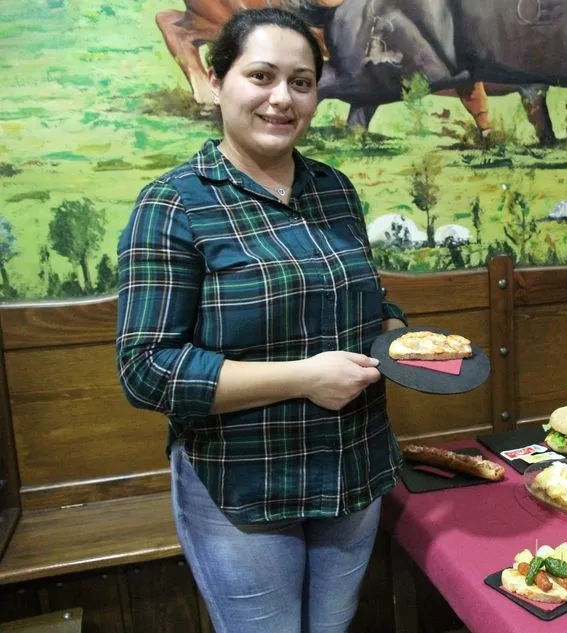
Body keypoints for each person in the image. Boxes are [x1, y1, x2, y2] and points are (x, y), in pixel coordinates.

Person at [115, 8, 407, 633]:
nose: (282, 98)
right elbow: (146, 372)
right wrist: (304, 378)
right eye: (262, 75)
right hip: (244, 486)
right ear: (217, 81)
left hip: (354, 471)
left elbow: (364, 303)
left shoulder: (334, 189)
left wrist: (394, 334)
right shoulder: (173, 203)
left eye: (301, 82)